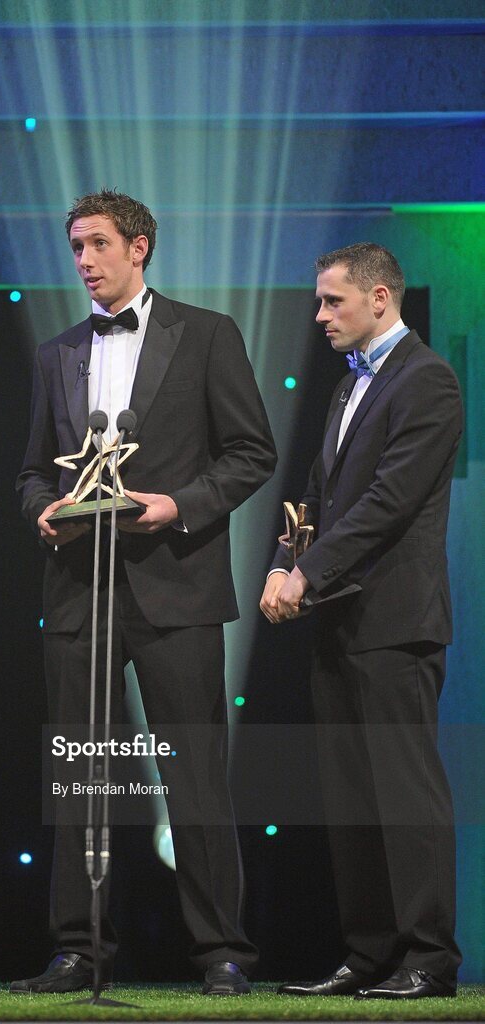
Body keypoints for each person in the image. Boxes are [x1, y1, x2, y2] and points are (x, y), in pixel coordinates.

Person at [15, 190, 276, 995]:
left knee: (191, 771)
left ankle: (221, 951)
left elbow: (249, 452)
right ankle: (76, 949)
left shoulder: (205, 335)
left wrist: (178, 505)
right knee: (79, 770)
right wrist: (42, 511)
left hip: (177, 586)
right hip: (77, 590)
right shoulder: (59, 351)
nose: (85, 261)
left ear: (139, 247)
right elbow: (30, 471)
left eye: (96, 245)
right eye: (75, 248)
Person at [260, 243, 462, 999]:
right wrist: (284, 561)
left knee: (404, 793)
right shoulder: (349, 390)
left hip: (394, 621)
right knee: (348, 795)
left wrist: (307, 571)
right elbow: (311, 499)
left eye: (331, 301)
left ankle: (427, 959)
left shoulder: (427, 379)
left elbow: (387, 502)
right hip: (337, 619)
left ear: (380, 299)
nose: (318, 316)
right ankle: (369, 952)